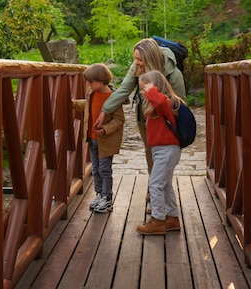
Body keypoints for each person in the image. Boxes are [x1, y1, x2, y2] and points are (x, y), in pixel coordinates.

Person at [92, 38, 185, 191]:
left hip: (166, 124)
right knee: (150, 152)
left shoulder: (173, 74)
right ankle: (153, 188)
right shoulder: (136, 67)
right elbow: (123, 90)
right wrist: (105, 110)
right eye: (135, 58)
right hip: (144, 118)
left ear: (150, 59)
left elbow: (181, 104)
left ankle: (158, 190)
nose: (136, 63)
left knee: (162, 157)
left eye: (140, 60)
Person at [72, 63, 125, 213]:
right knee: (95, 169)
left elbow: (119, 120)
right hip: (92, 139)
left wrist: (105, 129)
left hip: (105, 141)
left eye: (90, 81)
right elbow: (87, 106)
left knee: (104, 170)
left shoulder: (112, 98)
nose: (88, 84)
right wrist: (73, 104)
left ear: (101, 80)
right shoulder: (92, 93)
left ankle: (107, 198)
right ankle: (99, 194)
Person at [135, 70, 183, 235]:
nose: (142, 92)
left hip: (167, 150)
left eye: (144, 89)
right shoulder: (155, 104)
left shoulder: (165, 102)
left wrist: (151, 91)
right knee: (166, 184)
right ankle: (172, 217)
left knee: (154, 184)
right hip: (161, 150)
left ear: (155, 88)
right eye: (142, 90)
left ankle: (157, 221)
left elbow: (162, 103)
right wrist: (149, 92)